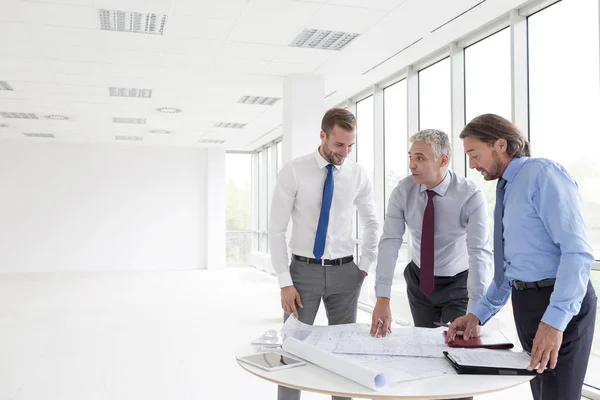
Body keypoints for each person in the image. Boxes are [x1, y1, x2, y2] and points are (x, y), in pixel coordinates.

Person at [446, 114, 597, 400]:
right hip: (526, 304)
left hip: (560, 303)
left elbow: (576, 252)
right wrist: (478, 315)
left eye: (474, 154)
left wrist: (554, 322)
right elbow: (508, 270)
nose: (472, 164)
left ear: (500, 144)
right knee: (541, 395)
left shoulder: (542, 174)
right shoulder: (507, 188)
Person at [371, 130, 492, 400]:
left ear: (443, 160)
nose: (412, 164)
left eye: (420, 158)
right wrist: (382, 296)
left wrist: (476, 313)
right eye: (411, 157)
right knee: (425, 358)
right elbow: (390, 241)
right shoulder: (404, 190)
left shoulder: (470, 195)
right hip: (420, 282)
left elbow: (479, 253)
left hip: (458, 285)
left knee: (458, 360)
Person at [269, 107, 380, 400]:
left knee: (344, 354)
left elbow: (372, 223)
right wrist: (284, 281)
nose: (344, 152)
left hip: (346, 273)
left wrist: (364, 267)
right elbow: (276, 230)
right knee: (292, 350)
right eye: (338, 144)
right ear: (323, 136)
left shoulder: (357, 174)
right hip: (303, 274)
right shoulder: (294, 170)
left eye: (350, 146)